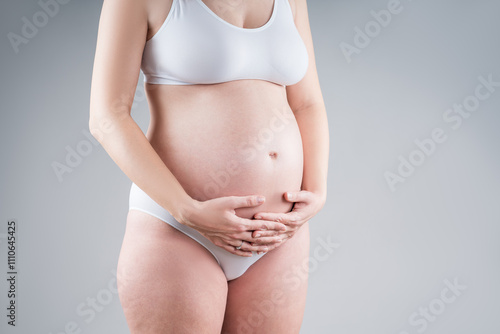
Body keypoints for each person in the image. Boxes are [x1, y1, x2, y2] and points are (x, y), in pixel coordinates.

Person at [89, 0, 329, 332]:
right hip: (181, 230)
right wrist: (186, 210)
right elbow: (107, 117)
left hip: (277, 233)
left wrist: (317, 190)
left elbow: (307, 102)